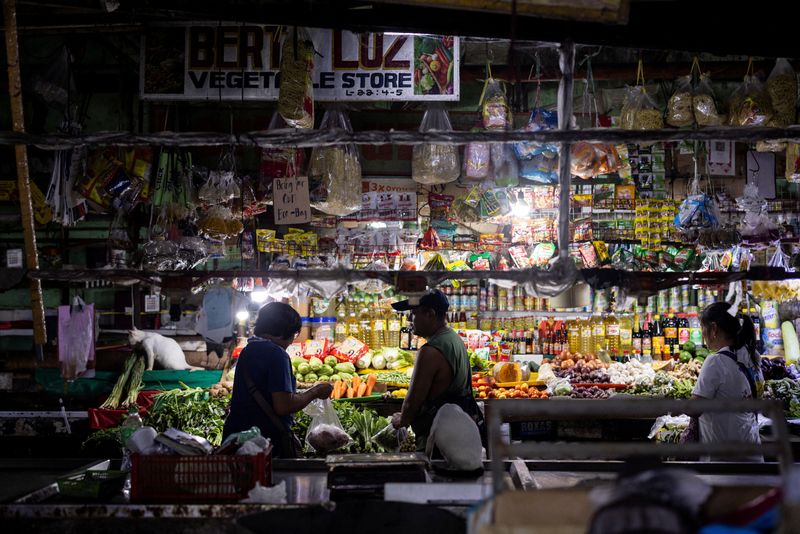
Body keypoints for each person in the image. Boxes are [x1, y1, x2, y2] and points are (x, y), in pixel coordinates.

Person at [223, 302, 333, 457]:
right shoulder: (277, 354)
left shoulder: (248, 350)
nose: (291, 341)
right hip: (265, 444)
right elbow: (283, 405)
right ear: (284, 331)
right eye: (294, 335)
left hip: (239, 441)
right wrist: (315, 392)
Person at [389, 289, 481, 451]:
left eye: (414, 313)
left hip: (437, 440)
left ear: (430, 314)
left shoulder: (430, 351)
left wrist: (402, 419)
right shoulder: (453, 339)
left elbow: (412, 401)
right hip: (456, 432)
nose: (410, 319)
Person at [692, 301, 764, 461]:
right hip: (752, 453)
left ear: (714, 329)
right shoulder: (753, 356)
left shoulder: (715, 362)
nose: (703, 335)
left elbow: (694, 408)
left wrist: (670, 408)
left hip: (725, 460)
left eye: (703, 328)